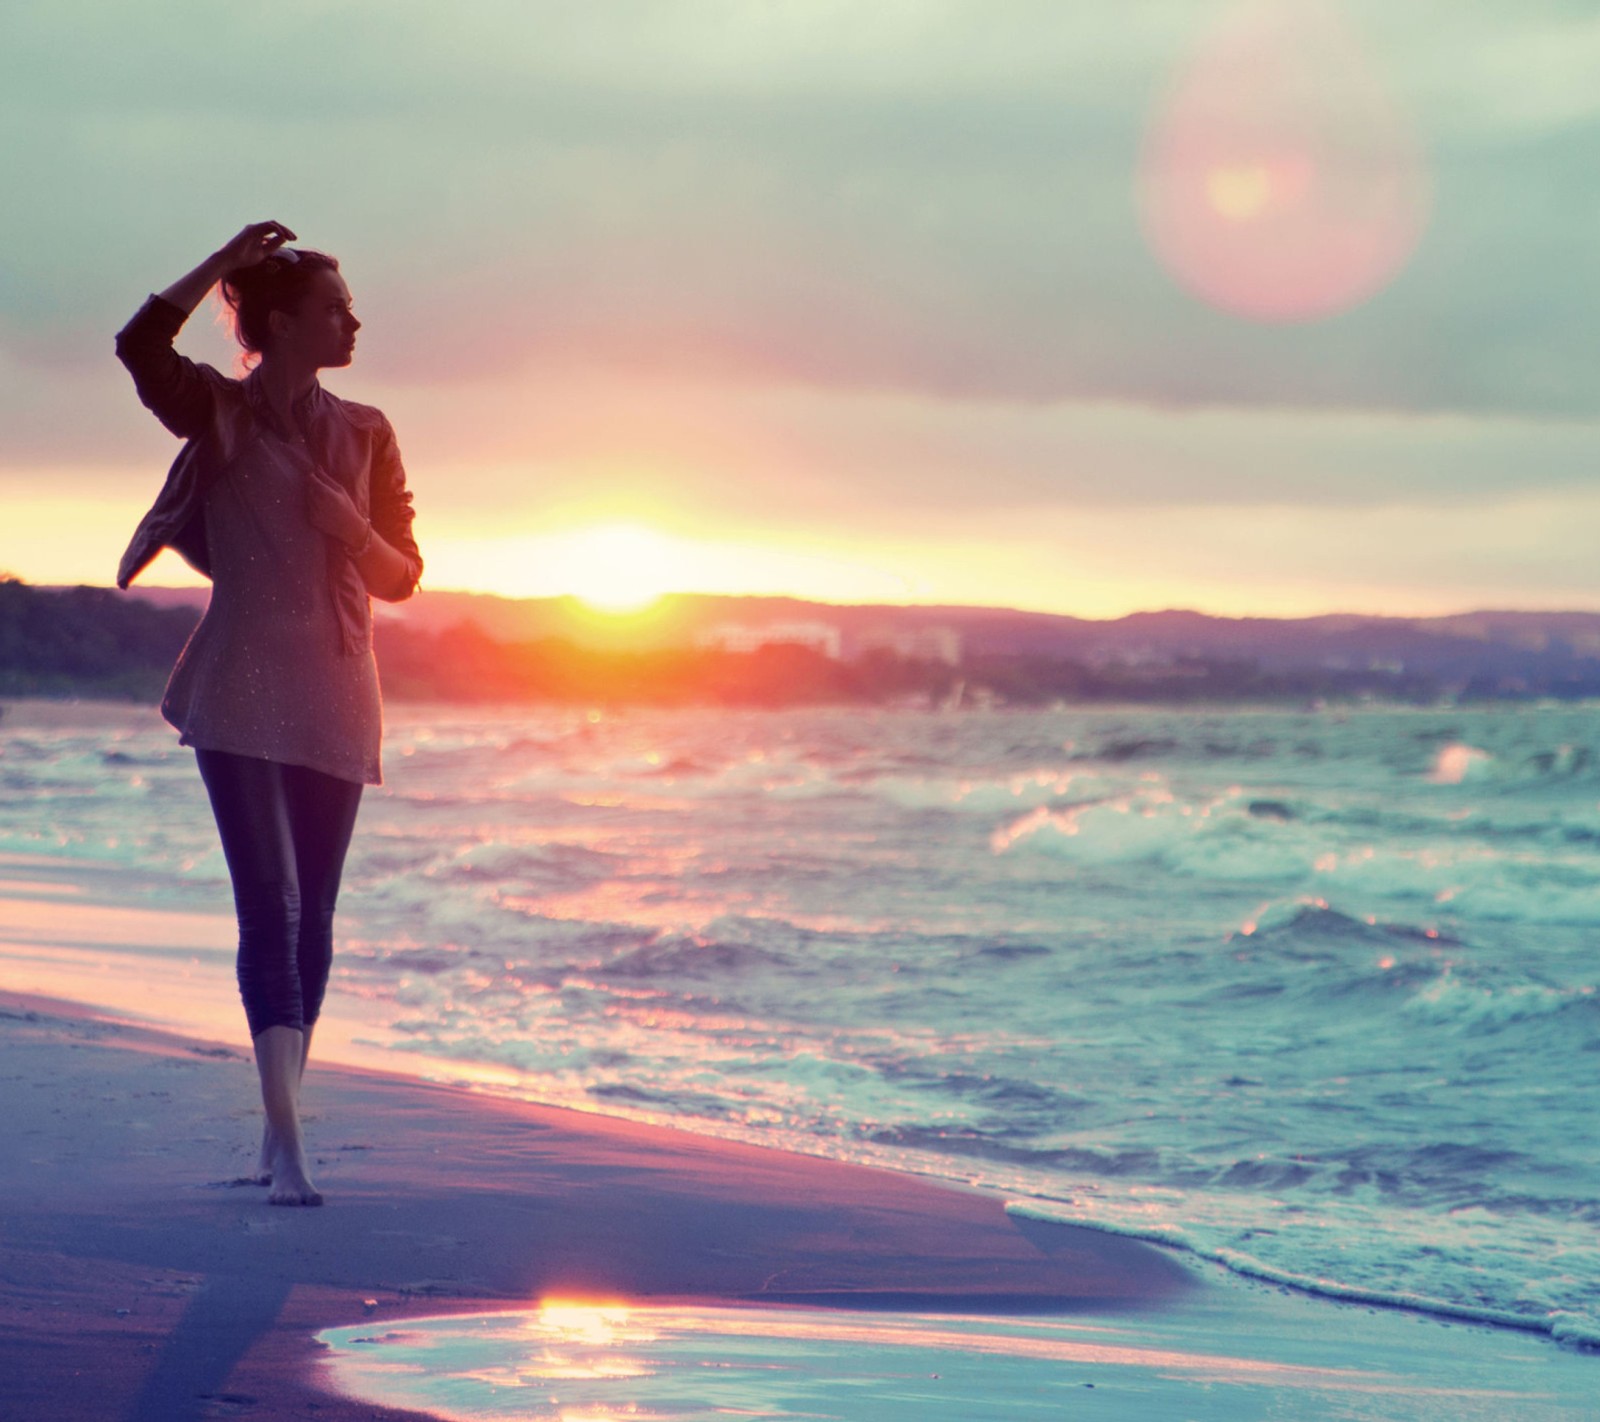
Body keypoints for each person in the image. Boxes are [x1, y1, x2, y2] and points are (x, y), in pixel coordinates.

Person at [115, 221, 422, 1205]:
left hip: (340, 688)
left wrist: (353, 526)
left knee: (315, 920)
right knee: (273, 904)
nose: (354, 319)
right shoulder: (217, 412)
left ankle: (276, 1124)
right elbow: (140, 347)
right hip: (242, 683)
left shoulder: (368, 430)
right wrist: (222, 261)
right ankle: (287, 1147)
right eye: (335, 307)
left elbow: (405, 578)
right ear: (282, 323)